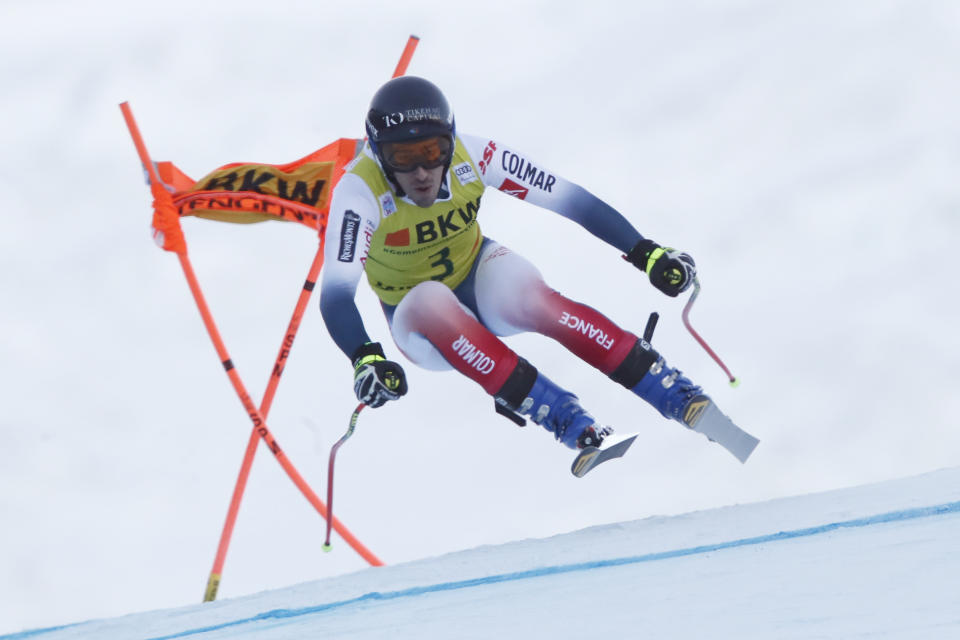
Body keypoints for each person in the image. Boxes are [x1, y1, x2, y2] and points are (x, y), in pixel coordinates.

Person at [320, 76, 705, 452]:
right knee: (431, 300)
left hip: (478, 277)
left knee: (534, 299)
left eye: (432, 152)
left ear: (451, 141)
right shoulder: (358, 191)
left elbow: (570, 199)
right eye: (402, 158)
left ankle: (666, 386)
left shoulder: (476, 155)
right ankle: (564, 418)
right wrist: (365, 357)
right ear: (377, 153)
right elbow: (336, 296)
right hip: (418, 322)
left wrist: (646, 252)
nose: (420, 172)